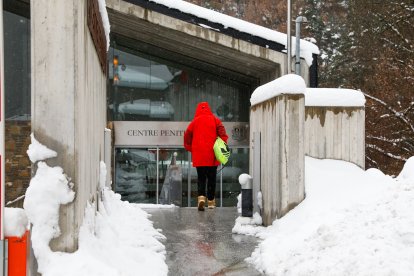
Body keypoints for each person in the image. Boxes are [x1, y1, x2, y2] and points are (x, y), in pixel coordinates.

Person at [184, 102, 228, 211]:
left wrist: (191, 148)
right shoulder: (215, 120)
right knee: (212, 178)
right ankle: (211, 201)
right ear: (209, 109)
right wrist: (221, 146)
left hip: (199, 156)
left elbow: (187, 136)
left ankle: (201, 198)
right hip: (212, 155)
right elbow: (223, 134)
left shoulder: (194, 122)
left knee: (201, 178)